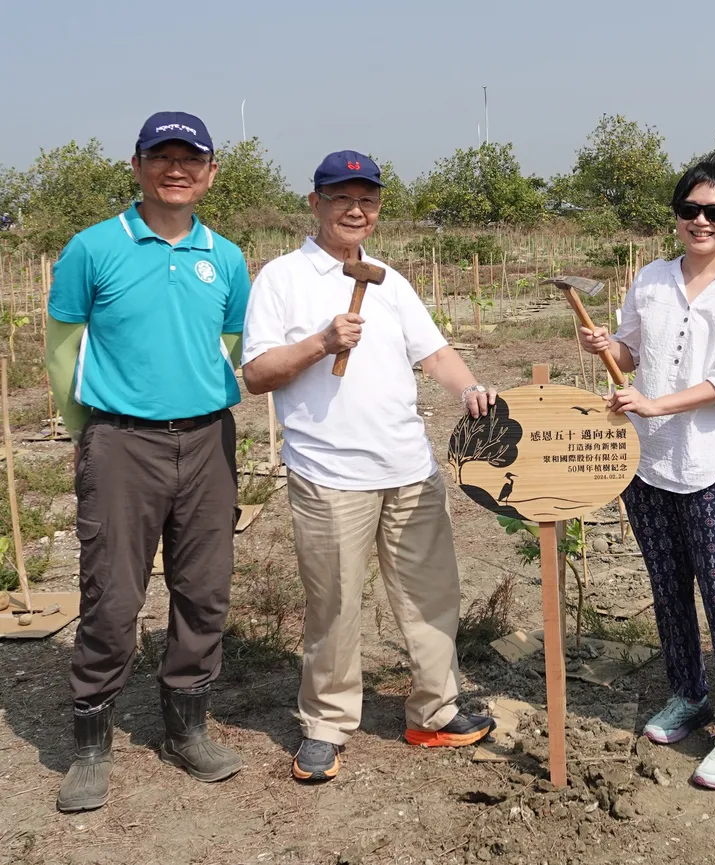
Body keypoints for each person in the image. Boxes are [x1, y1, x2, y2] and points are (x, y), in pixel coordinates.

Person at [241, 151, 496, 783]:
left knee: (430, 595)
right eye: (341, 197)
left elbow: (433, 350)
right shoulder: (282, 278)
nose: (356, 210)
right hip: (329, 474)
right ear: (315, 202)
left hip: (408, 466)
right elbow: (255, 375)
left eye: (368, 200)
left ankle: (434, 710)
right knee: (334, 604)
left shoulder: (389, 278)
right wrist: (322, 343)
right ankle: (326, 725)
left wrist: (468, 389)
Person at [45, 112, 250, 812]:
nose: (175, 168)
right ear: (136, 166)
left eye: (189, 158)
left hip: (207, 441)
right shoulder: (93, 247)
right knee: (112, 593)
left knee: (205, 587)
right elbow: (61, 347)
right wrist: (88, 432)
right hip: (120, 441)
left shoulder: (225, 256)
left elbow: (231, 342)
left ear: (210, 172)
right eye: (160, 156)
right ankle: (90, 743)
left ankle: (185, 726)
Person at [578, 153, 715, 790]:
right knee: (668, 592)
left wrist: (656, 402)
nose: (701, 220)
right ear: (677, 215)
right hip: (650, 464)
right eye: (690, 209)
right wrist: (609, 349)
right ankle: (687, 694)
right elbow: (634, 349)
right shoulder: (652, 278)